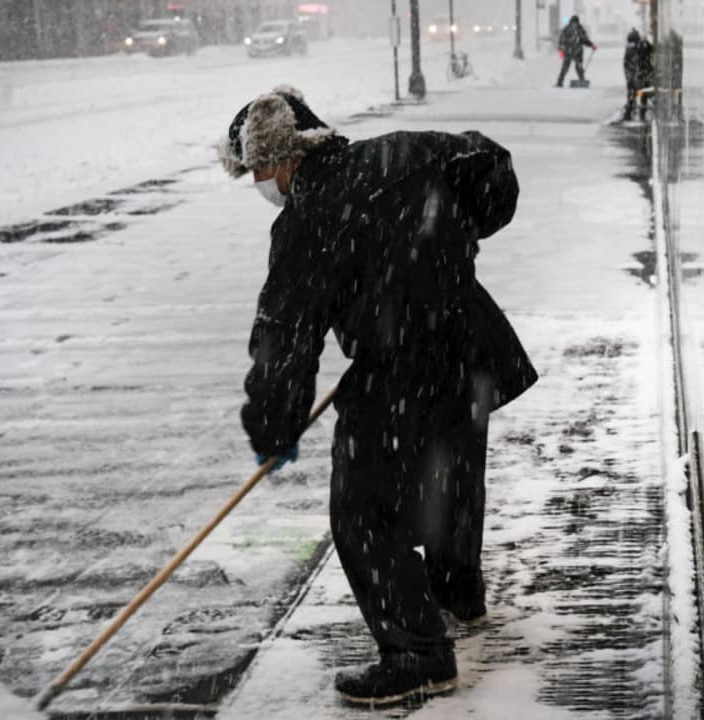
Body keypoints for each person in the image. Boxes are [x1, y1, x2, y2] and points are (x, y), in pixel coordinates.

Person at [218, 86, 537, 706]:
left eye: (257, 171)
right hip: (466, 346)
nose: (260, 184)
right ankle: (457, 595)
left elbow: (284, 338)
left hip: (400, 367)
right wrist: (454, 240)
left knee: (361, 512)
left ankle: (417, 654)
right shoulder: (403, 154)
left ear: (283, 155)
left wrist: (275, 426)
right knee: (451, 474)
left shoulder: (306, 222)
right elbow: (491, 166)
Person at [621, 27, 653, 122]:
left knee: (633, 93)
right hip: (639, 75)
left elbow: (628, 65)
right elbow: (649, 54)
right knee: (642, 92)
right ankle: (639, 112)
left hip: (634, 75)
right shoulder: (640, 46)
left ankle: (630, 112)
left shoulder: (630, 48)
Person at [556, 15, 596, 87]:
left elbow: (584, 39)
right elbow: (561, 40)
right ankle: (560, 82)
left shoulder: (578, 29)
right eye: (573, 23)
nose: (574, 24)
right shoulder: (568, 29)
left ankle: (581, 80)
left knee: (577, 66)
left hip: (575, 51)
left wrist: (591, 45)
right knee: (567, 67)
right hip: (570, 51)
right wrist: (561, 51)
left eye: (575, 23)